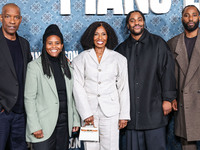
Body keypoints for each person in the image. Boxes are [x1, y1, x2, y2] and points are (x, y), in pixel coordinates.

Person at [115, 10, 176, 150]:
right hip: (132, 115)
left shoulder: (158, 44)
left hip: (154, 112)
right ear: (127, 25)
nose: (136, 23)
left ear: (144, 22)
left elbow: (168, 72)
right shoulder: (121, 50)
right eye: (132, 20)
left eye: (139, 19)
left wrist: (168, 98)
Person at [73, 21, 130, 150]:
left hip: (111, 112)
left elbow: (123, 88)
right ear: (90, 37)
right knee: (90, 147)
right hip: (89, 112)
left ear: (108, 36)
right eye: (96, 34)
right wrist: (85, 113)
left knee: (110, 147)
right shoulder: (80, 59)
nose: (100, 38)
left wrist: (124, 115)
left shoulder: (119, 59)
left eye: (103, 34)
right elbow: (77, 87)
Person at [24, 24, 80, 150]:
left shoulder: (67, 66)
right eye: (50, 43)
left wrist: (75, 119)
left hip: (64, 124)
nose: (54, 46)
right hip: (43, 125)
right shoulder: (34, 67)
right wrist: (34, 126)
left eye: (57, 43)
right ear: (44, 45)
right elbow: (29, 99)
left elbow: (72, 95)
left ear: (62, 45)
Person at [0, 3, 32, 150]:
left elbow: (32, 71)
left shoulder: (24, 44)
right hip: (2, 112)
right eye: (8, 16)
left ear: (20, 20)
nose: (12, 21)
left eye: (16, 17)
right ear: (1, 18)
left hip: (21, 113)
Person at [167, 5, 200, 150]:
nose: (190, 18)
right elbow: (168, 75)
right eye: (187, 15)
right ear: (182, 18)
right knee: (188, 144)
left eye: (194, 15)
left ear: (199, 18)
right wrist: (171, 96)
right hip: (184, 101)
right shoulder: (173, 44)